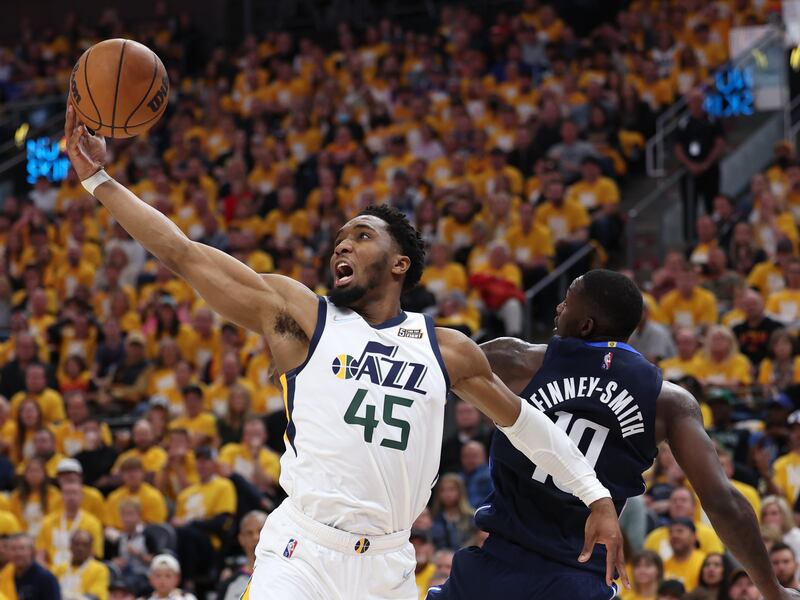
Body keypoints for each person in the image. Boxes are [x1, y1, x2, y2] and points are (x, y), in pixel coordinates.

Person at [65, 105, 625, 600]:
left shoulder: (445, 348)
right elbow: (185, 255)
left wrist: (595, 495)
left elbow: (527, 425)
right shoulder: (301, 316)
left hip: (389, 565)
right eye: (339, 239)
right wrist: (98, 179)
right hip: (302, 551)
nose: (343, 244)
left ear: (400, 263)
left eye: (361, 236)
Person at [430, 269, 799, 600]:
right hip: (578, 579)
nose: (558, 307)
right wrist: (773, 590)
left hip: (491, 571)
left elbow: (420, 376)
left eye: (567, 300)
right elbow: (723, 501)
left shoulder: (516, 360)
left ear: (586, 324)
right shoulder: (668, 401)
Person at [674, 88, 726, 240]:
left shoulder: (712, 120)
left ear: (703, 102)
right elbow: (677, 147)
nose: (695, 104)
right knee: (689, 207)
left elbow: (720, 143)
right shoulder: (683, 123)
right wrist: (689, 164)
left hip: (710, 170)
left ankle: (716, 237)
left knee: (713, 205)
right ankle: (690, 240)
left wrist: (706, 163)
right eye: (692, 100)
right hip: (688, 172)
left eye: (698, 100)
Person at [217, 510, 268, 600]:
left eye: (260, 530)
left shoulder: (288, 573)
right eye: (249, 533)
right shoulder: (229, 583)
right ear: (241, 539)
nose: (255, 537)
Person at [51, 529, 109, 600]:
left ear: (91, 548)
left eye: (85, 545)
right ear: (70, 546)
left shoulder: (100, 569)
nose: (80, 548)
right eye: (76, 544)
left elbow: (95, 596)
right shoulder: (58, 568)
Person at [8, 533, 61, 600]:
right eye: (13, 549)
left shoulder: (46, 578)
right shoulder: (5, 575)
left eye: (22, 548)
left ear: (32, 551)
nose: (18, 553)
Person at [661, 518, 706, 592]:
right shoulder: (664, 564)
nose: (674, 535)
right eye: (670, 532)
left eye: (680, 531)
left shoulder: (704, 563)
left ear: (694, 536)